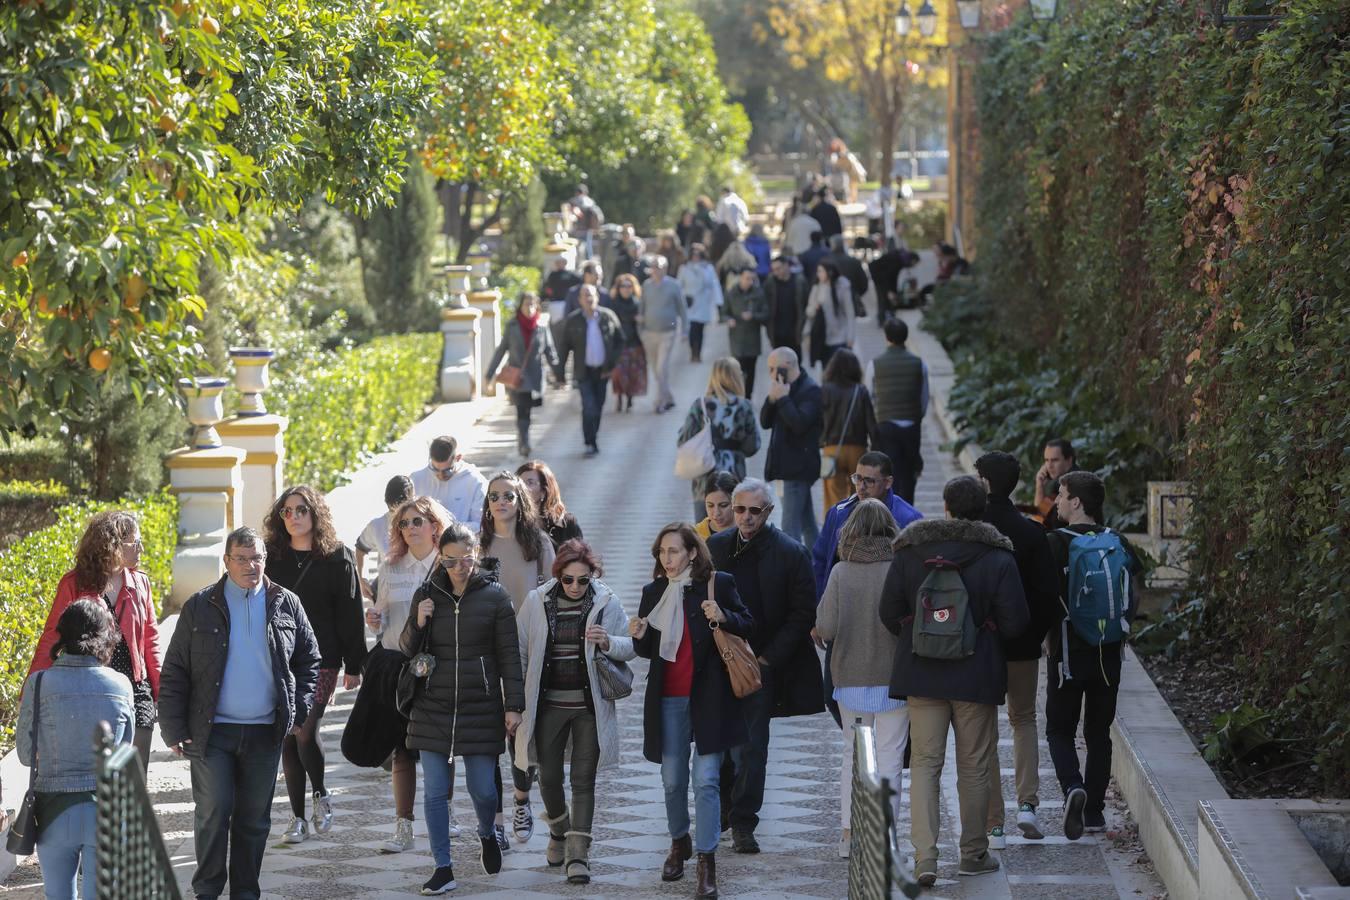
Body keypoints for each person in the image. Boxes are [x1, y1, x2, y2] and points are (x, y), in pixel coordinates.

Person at [879, 476, 1029, 886]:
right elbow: (1016, 622)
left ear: (945, 507)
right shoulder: (997, 556)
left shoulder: (911, 551)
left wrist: (921, 636)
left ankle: (925, 858)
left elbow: (888, 610)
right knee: (975, 766)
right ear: (983, 509)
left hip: (922, 674)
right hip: (975, 675)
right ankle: (974, 853)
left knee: (925, 765)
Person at [159, 526, 321, 900]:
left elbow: (309, 658)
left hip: (265, 732)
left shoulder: (286, 602)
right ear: (227, 562)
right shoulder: (200, 605)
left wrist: (298, 709)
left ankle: (246, 892)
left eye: (258, 558)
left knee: (253, 820)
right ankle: (208, 891)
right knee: (214, 812)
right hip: (212, 731)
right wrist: (173, 727)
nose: (251, 566)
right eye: (243, 559)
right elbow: (176, 670)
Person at [630, 523, 753, 899]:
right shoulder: (654, 592)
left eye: (674, 551)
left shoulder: (719, 584)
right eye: (662, 552)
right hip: (668, 699)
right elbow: (649, 651)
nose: (667, 559)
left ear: (692, 553)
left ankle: (706, 859)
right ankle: (679, 840)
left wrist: (723, 615)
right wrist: (640, 635)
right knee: (672, 780)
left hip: (711, 698)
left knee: (706, 780)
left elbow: (748, 623)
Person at [400, 522, 525, 893]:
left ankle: (487, 831)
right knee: (435, 792)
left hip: (481, 705)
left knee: (483, 790)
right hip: (433, 705)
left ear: (475, 556)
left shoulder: (496, 597)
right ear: (441, 557)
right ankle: (443, 867)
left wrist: (513, 705)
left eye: (466, 559)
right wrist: (418, 620)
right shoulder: (427, 593)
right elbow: (408, 650)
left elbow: (509, 656)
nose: (459, 567)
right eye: (451, 561)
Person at [706, 478, 822, 853]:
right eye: (739, 509)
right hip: (719, 661)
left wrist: (768, 658)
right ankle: (721, 809)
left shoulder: (790, 552)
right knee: (718, 740)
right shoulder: (716, 547)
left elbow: (803, 611)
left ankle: (743, 821)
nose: (745, 517)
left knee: (753, 745)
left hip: (761, 664)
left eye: (754, 510)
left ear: (768, 512)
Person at [514, 539, 635, 885]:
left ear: (592, 577)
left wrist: (608, 642)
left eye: (583, 580)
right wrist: (515, 705)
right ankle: (559, 832)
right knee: (548, 777)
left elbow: (630, 647)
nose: (576, 586)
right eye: (568, 579)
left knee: (584, 781)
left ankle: (578, 855)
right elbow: (521, 652)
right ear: (558, 576)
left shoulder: (606, 601)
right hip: (548, 705)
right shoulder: (537, 602)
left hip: (588, 707)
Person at [262, 486, 367, 844]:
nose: (293, 517)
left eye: (301, 510)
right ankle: (297, 818)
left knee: (305, 729)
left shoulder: (338, 557)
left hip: (322, 658)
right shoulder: (271, 558)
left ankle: (320, 792)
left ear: (315, 513)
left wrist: (355, 663)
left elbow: (351, 612)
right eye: (287, 511)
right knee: (289, 737)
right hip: (278, 656)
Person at [355, 497, 456, 853]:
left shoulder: (448, 567)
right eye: (404, 523)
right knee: (401, 748)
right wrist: (374, 619)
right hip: (397, 666)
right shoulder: (391, 566)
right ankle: (403, 826)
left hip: (437, 667)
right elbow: (382, 619)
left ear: (434, 526)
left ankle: (446, 813)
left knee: (441, 746)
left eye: (418, 521)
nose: (410, 528)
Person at [1045, 471, 1141, 841]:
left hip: (1068, 651)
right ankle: (1096, 811)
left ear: (1077, 503)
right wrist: (1120, 629)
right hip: (1109, 652)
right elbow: (1134, 592)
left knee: (1059, 729)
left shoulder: (1056, 542)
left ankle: (1073, 788)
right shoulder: (1117, 541)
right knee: (1099, 731)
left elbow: (1045, 597)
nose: (1056, 501)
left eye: (1062, 495)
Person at [19, 599, 134, 900]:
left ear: (62, 634)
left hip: (53, 810)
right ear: (106, 636)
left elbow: (23, 753)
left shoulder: (39, 683)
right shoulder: (122, 686)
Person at [28, 509, 160, 771]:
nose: (141, 548)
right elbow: (52, 636)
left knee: (133, 774)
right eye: (135, 542)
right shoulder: (74, 584)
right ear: (113, 545)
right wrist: (31, 691)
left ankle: (125, 812)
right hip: (88, 687)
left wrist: (161, 691)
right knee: (99, 774)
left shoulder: (141, 583)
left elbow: (150, 639)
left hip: (134, 687)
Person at [975, 451, 1059, 845]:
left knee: (985, 730)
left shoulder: (972, 529)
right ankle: (1027, 804)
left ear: (985, 482)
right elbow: (1047, 593)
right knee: (1023, 720)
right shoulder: (1031, 531)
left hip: (981, 646)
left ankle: (994, 823)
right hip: (1023, 644)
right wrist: (1033, 633)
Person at [815, 499, 905, 859]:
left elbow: (826, 626)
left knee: (854, 759)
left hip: (850, 679)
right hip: (895, 679)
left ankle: (850, 835)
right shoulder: (899, 568)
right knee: (891, 760)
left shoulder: (841, 572)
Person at [479, 470, 556, 844]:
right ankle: (495, 822)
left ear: (520, 500)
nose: (501, 502)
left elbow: (555, 593)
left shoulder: (538, 543)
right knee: (490, 737)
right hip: (486, 649)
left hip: (529, 647)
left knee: (522, 734)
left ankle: (522, 798)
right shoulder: (478, 545)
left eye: (508, 495)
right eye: (494, 496)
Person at [813, 452, 923, 598]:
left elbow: (915, 572)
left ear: (888, 482)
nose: (861, 487)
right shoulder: (838, 513)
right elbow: (820, 560)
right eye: (858, 478)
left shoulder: (909, 519)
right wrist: (822, 600)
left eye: (869, 481)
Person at [676, 358, 762, 521]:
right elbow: (753, 446)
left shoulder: (700, 405)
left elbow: (683, 440)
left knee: (704, 531)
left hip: (704, 477)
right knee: (734, 531)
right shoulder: (744, 406)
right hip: (734, 476)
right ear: (736, 377)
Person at [760, 346, 823, 546]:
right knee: (807, 523)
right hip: (786, 467)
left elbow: (799, 424)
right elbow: (765, 422)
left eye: (773, 368)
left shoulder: (811, 390)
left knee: (790, 528)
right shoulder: (782, 388)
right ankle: (819, 565)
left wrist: (783, 399)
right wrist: (772, 399)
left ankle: (793, 573)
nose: (770, 374)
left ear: (786, 366)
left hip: (798, 468)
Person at [486, 291, 560, 459]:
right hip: (517, 378)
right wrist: (490, 374)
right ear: (520, 306)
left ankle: (523, 438)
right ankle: (524, 442)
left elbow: (550, 350)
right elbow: (501, 350)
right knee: (522, 409)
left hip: (534, 377)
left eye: (533, 304)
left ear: (537, 306)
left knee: (527, 410)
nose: (530, 308)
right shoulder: (512, 326)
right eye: (526, 304)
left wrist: (558, 372)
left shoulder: (541, 327)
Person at [555, 284, 624, 457]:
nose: (589, 298)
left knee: (598, 406)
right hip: (583, 371)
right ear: (579, 300)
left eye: (592, 295)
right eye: (585, 295)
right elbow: (564, 347)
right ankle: (589, 441)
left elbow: (620, 340)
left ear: (597, 298)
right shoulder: (573, 320)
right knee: (589, 406)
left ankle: (593, 437)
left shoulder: (608, 317)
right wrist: (560, 374)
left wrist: (613, 363)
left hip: (603, 371)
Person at [866, 317, 930, 504]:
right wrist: (916, 416)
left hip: (886, 426)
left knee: (887, 475)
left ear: (886, 337)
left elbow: (869, 397)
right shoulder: (919, 364)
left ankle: (888, 516)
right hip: (911, 426)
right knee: (909, 473)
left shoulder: (875, 364)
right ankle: (907, 514)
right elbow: (924, 397)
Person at [818, 349, 879, 513]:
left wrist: (819, 442)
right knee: (860, 496)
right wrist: (876, 451)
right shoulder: (861, 391)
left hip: (831, 449)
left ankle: (836, 532)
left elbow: (818, 422)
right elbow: (871, 425)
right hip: (858, 450)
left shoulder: (825, 391)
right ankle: (857, 530)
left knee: (833, 499)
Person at [638, 256, 688, 413]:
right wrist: (641, 330)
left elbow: (682, 310)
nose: (656, 270)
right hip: (649, 333)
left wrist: (685, 330)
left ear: (665, 268)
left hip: (668, 332)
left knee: (661, 368)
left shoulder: (674, 285)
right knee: (655, 369)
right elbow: (641, 308)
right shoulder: (646, 285)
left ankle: (659, 402)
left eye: (658, 267)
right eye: (653, 267)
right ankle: (669, 397)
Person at [410, 435, 489, 530]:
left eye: (447, 471)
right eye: (434, 469)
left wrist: (446, 528)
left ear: (458, 458)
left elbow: (480, 524)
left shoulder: (475, 481)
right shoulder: (416, 479)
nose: (440, 475)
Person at [355, 475, 415, 599]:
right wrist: (362, 577)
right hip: (389, 593)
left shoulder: (422, 522)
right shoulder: (377, 526)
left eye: (401, 509)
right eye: (392, 509)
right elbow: (361, 548)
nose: (397, 514)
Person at [603, 272, 647, 412]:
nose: (626, 289)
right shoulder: (612, 304)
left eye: (629, 286)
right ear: (618, 287)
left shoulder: (638, 304)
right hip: (618, 345)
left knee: (633, 374)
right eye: (623, 286)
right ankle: (619, 398)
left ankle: (629, 398)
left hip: (635, 343)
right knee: (619, 375)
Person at [517, 460, 583, 549]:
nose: (522, 488)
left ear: (544, 491)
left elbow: (579, 559)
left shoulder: (566, 524)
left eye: (530, 483)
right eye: (519, 483)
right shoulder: (511, 522)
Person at [723, 268, 768, 395]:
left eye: (752, 279)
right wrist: (729, 320)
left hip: (753, 340)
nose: (750, 282)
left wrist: (753, 315)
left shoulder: (758, 293)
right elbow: (724, 313)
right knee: (737, 371)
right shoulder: (731, 293)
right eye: (747, 278)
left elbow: (765, 313)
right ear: (740, 278)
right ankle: (738, 396)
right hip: (737, 340)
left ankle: (748, 397)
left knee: (751, 371)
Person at [804, 261, 855, 370]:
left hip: (840, 337)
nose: (819, 274)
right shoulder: (817, 288)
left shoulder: (842, 287)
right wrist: (815, 308)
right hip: (822, 337)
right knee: (826, 370)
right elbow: (808, 311)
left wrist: (850, 336)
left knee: (841, 370)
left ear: (829, 272)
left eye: (821, 271)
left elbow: (850, 313)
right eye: (818, 271)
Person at [678, 244, 723, 365]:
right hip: (690, 302)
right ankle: (693, 351)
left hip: (704, 302)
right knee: (692, 328)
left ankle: (698, 353)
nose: (696, 257)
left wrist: (718, 302)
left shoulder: (708, 268)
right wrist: (680, 300)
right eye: (694, 255)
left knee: (700, 329)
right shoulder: (684, 268)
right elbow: (679, 286)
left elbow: (715, 285)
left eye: (698, 255)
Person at [765, 255, 808, 362]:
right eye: (774, 270)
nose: (776, 272)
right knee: (780, 364)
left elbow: (806, 302)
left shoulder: (799, 281)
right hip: (777, 332)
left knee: (796, 363)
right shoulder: (770, 282)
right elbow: (765, 303)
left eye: (778, 269)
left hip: (794, 331)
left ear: (787, 266)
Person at [1035, 437, 1078, 529]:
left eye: (1054, 460)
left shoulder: (1070, 484)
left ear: (1069, 460)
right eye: (1046, 460)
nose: (1049, 466)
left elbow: (1039, 518)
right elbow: (1039, 515)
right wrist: (1039, 484)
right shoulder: (1060, 482)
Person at [541, 257, 582, 348]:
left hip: (567, 305)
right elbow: (546, 290)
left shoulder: (571, 275)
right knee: (556, 330)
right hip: (555, 305)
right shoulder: (552, 275)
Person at [694, 470, 740, 541]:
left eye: (723, 505)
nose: (716, 513)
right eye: (710, 505)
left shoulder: (747, 530)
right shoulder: (697, 534)